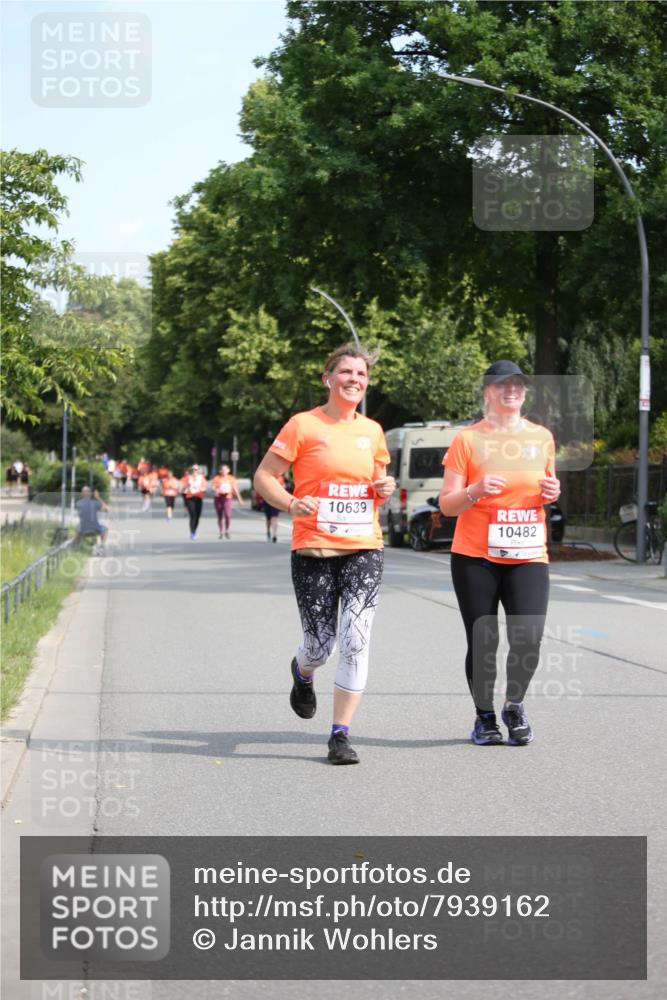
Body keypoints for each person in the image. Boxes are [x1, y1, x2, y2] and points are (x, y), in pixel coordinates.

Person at [253, 342, 396, 765]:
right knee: (320, 645)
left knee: (356, 638)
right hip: (314, 548)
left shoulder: (372, 431)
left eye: (362, 375)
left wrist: (383, 490)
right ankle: (303, 672)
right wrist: (290, 502)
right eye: (347, 372)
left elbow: (378, 483)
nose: (355, 380)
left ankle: (340, 734)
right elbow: (265, 476)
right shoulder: (302, 425)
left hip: (363, 548)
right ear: (327, 379)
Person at [439, 360, 562, 747]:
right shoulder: (467, 440)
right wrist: (475, 490)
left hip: (528, 553)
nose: (512, 390)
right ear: (487, 391)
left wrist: (553, 493)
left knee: (529, 637)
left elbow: (547, 484)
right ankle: (485, 717)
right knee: (483, 641)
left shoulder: (542, 437)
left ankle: (514, 705)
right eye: (503, 384)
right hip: (476, 557)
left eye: (519, 385)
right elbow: (447, 505)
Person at [211, 464, 245, 539]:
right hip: (219, 498)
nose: (224, 471)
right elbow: (213, 488)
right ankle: (221, 531)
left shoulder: (231, 478)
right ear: (220, 471)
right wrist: (216, 490)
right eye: (222, 470)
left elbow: (235, 489)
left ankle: (227, 530)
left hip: (227, 498)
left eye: (225, 469)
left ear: (228, 470)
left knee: (227, 515)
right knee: (220, 516)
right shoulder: (217, 478)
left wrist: (240, 499)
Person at [74, 486, 110, 552]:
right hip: (95, 529)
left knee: (77, 528)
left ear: (82, 494)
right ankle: (102, 546)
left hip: (82, 529)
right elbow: (107, 509)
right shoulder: (95, 503)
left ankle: (76, 547)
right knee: (106, 529)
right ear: (90, 493)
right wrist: (98, 497)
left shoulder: (78, 503)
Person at [181, 464, 207, 539]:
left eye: (196, 469)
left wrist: (202, 489)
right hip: (190, 498)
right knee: (192, 514)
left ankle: (194, 530)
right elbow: (182, 489)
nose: (195, 471)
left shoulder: (201, 478)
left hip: (198, 497)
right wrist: (187, 485)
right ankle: (192, 532)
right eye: (193, 469)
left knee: (197, 516)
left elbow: (204, 487)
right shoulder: (187, 478)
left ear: (198, 471)